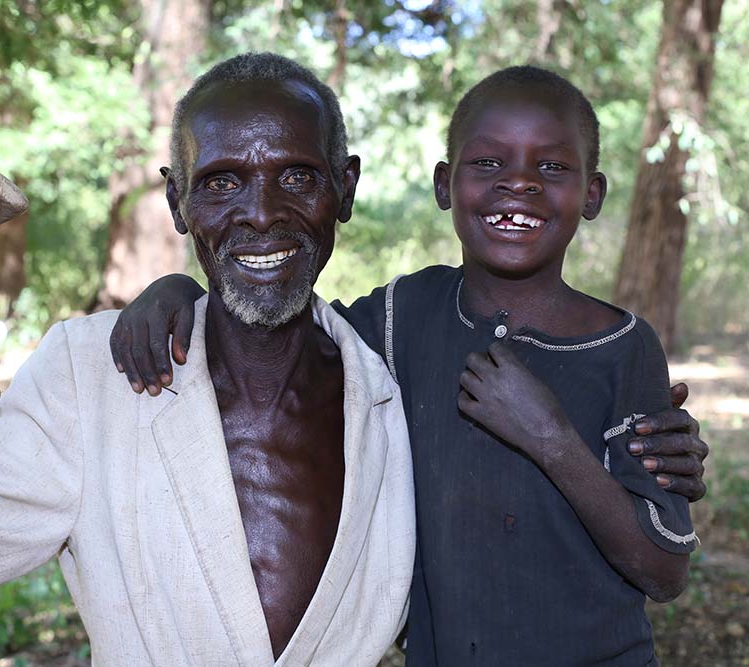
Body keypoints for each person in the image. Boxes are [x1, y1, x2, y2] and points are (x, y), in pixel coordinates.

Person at [109, 65, 711, 665]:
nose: (519, 184)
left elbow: (663, 570)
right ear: (445, 185)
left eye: (551, 167)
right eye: (488, 163)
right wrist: (177, 290)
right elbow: (275, 320)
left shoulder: (623, 345)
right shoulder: (402, 317)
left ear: (594, 194)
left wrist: (551, 439)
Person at [0, 53, 416, 665]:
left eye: (298, 177)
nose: (260, 213)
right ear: (177, 202)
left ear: (345, 188)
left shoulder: (395, 390)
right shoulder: (91, 380)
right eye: (222, 183)